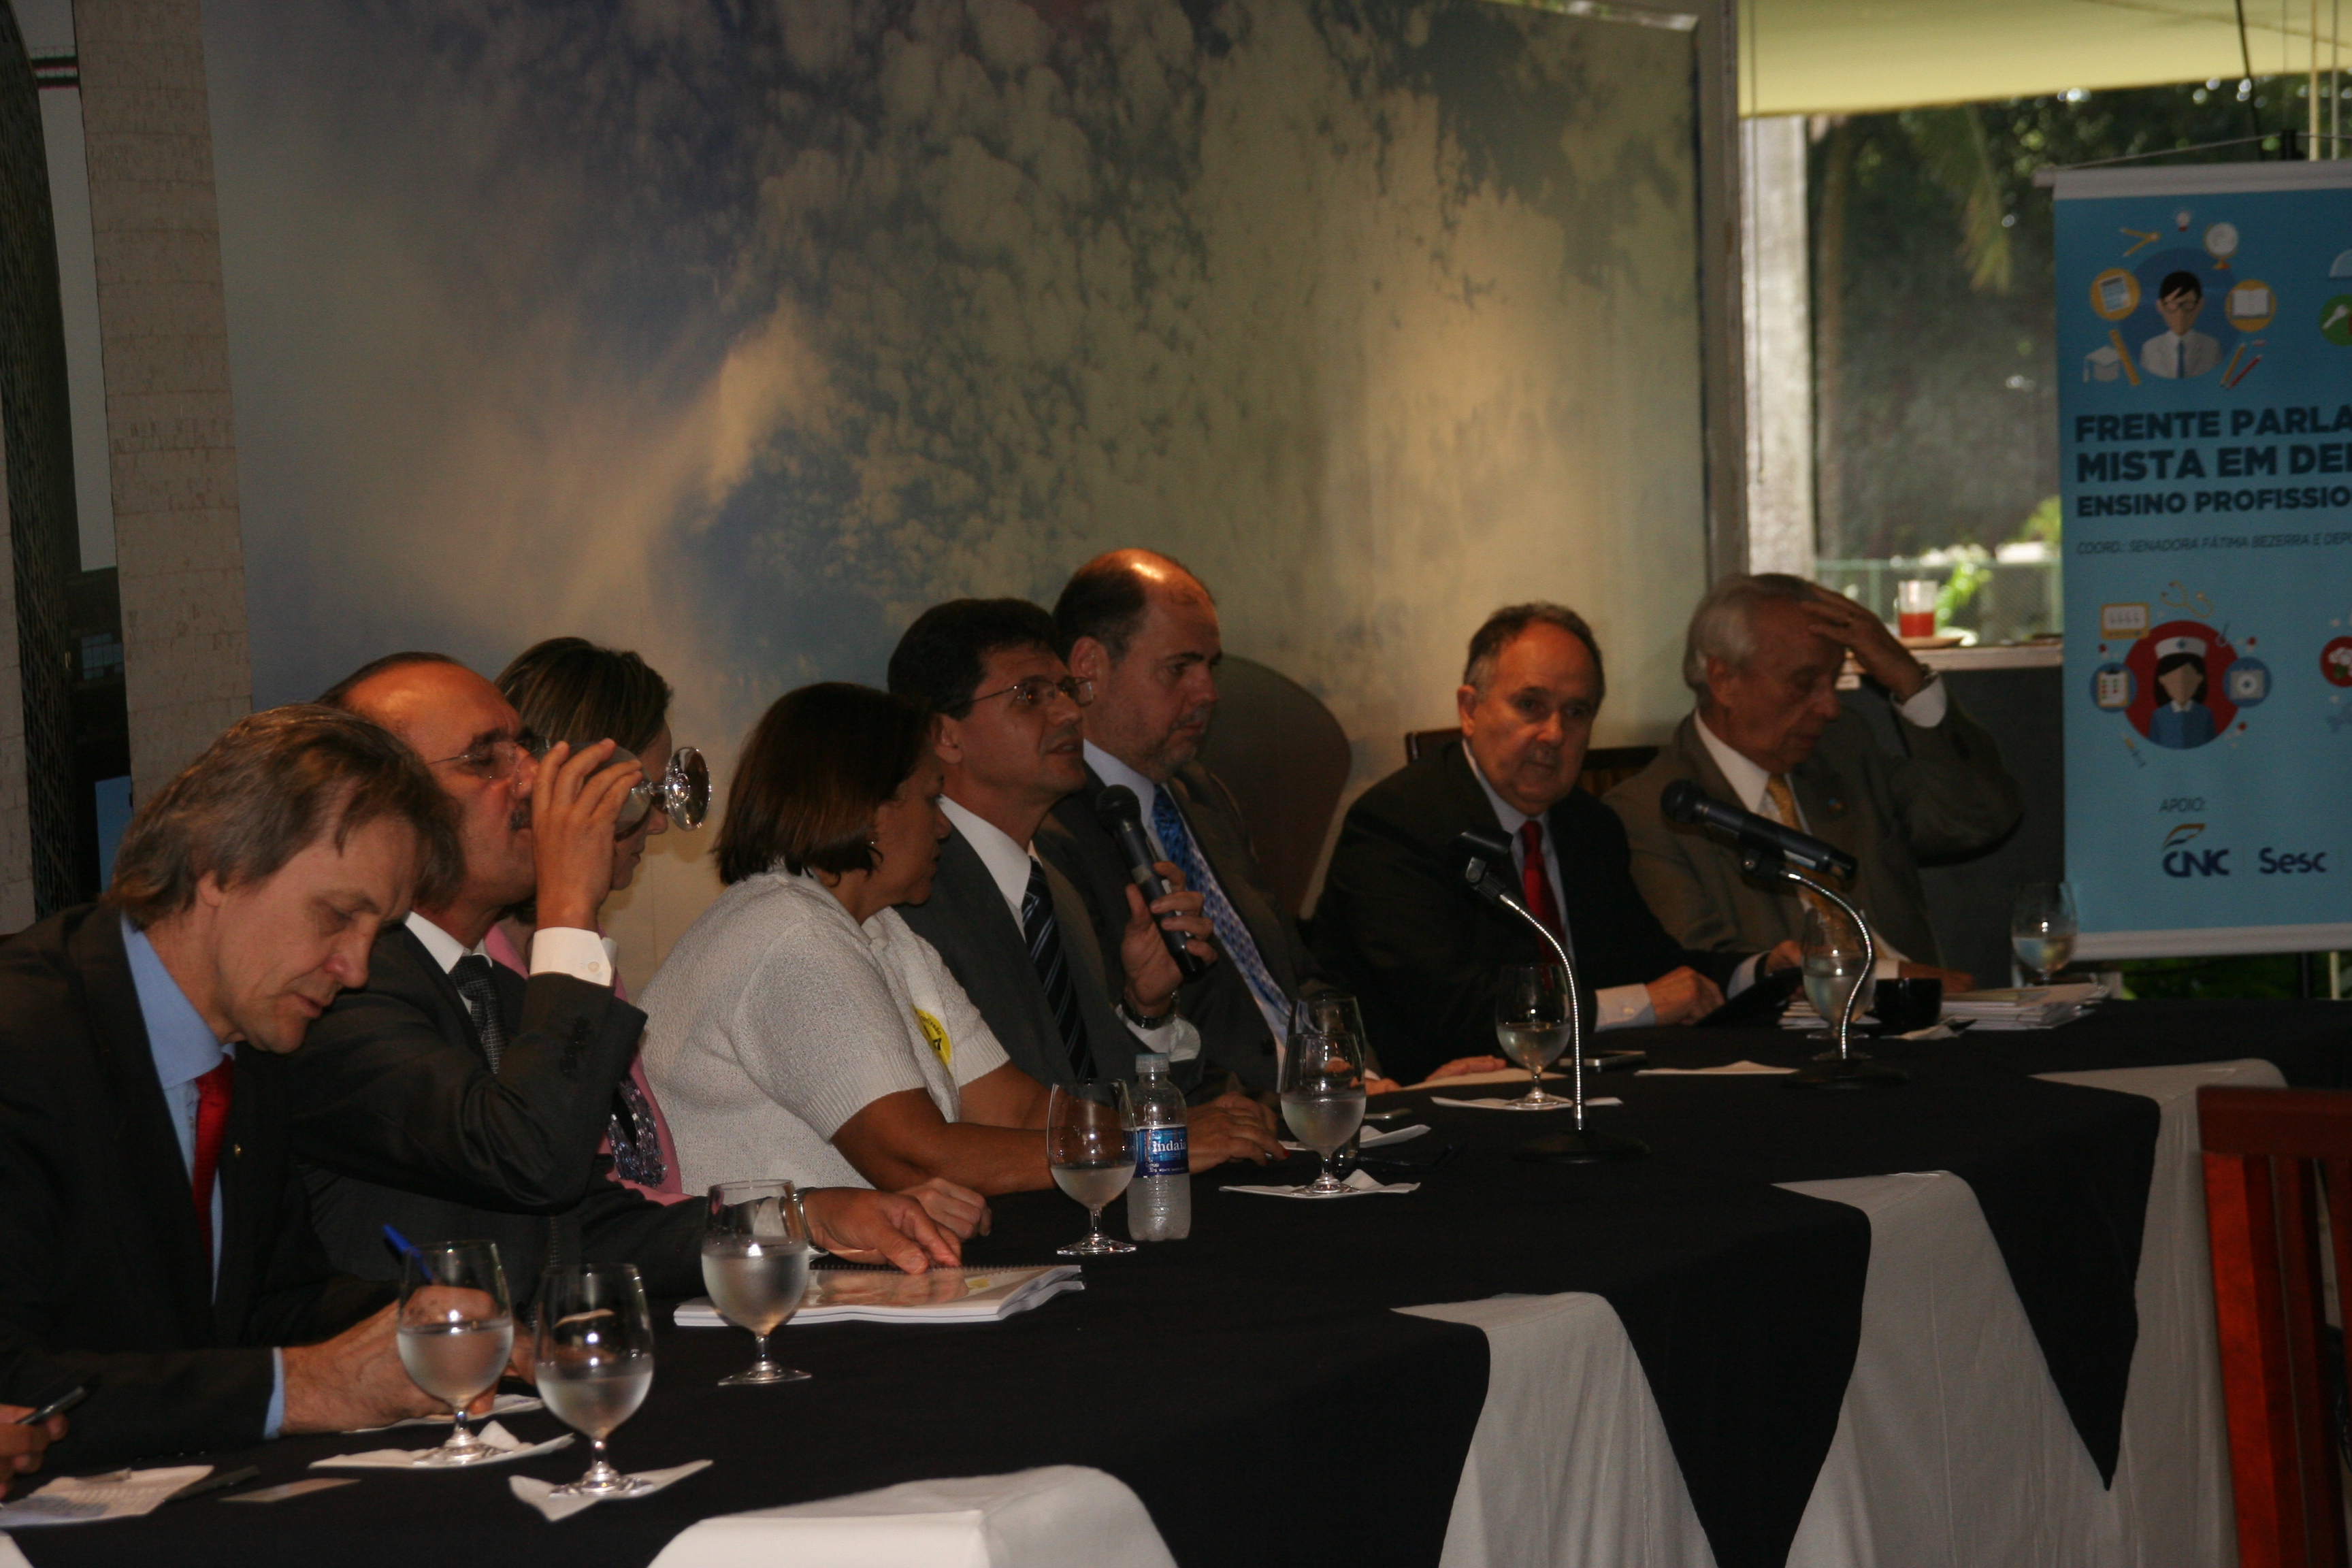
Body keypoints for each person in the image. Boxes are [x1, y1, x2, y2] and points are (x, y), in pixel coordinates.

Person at [295, 654, 960, 1296]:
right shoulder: (341, 990)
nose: (535, 780)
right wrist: (568, 907)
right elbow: (529, 1161)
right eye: (485, 759)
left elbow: (585, 1228)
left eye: (525, 748)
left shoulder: (489, 985)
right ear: (370, 808)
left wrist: (804, 1218)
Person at [0, 706, 480, 1469]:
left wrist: (430, 1322)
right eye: (337, 915)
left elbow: (269, 1301)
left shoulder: (251, 1046)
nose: (357, 969)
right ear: (217, 866)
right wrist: (306, 1388)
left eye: (379, 933)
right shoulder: (22, 1041)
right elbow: (14, 1384)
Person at [886, 600, 1281, 1160]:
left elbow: (1090, 1079)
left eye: (1067, 690)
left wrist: (1146, 1007)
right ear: (945, 736)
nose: (1070, 713)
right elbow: (995, 1117)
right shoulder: (914, 895)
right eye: (1031, 696)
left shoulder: (1053, 883)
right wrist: (1158, 1140)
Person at [1312, 605, 1757, 1085]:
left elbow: (1656, 967)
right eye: (1530, 705)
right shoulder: (1397, 822)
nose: (1555, 734)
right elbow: (1454, 1012)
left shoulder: (1589, 824)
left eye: (1577, 712)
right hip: (1436, 1093)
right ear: (1470, 710)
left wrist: (1761, 972)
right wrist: (1640, 1004)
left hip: (1580, 1085)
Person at [1606, 575, 2023, 985]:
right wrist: (1890, 980)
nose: (1829, 708)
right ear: (1724, 680)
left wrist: (1909, 680)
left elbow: (1979, 819)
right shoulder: (1650, 811)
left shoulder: (1843, 749)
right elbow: (1707, 974)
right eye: (1803, 683)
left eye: (1834, 681)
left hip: (1933, 1013)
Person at [1039, 551, 1333, 1093]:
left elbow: (1294, 972)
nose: (1208, 693)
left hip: (1320, 1096)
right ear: (1088, 668)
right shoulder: (1051, 827)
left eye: (1210, 666)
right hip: (1220, 1112)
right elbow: (1107, 1037)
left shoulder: (1202, 792)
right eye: (1179, 668)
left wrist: (1355, 1069)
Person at [493, 636, 686, 1201]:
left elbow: (634, 1183)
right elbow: (541, 1173)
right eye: (638, 795)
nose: (658, 824)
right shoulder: (473, 973)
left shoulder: (587, 947)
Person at [2140, 271, 2220, 380]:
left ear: (2200, 305)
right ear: (2160, 306)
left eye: (2188, 304)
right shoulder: (2149, 348)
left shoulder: (2212, 347)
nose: (2180, 313)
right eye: (2172, 304)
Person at [2147, 639, 2217, 749]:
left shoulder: (2205, 714)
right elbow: (2153, 747)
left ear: (2199, 678)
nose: (2181, 685)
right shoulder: (2159, 715)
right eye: (2173, 680)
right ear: (2162, 680)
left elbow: (2213, 746)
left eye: (2189, 679)